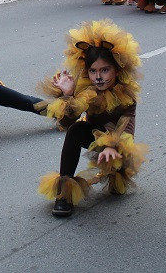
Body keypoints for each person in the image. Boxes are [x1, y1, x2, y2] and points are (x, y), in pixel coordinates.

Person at [37, 20, 147, 217]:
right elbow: (65, 123)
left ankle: (117, 170)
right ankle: (64, 194)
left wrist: (113, 145)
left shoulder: (126, 92)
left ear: (116, 70)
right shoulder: (86, 90)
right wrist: (68, 96)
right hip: (93, 136)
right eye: (93, 71)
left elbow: (127, 123)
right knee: (75, 130)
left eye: (105, 70)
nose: (98, 77)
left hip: (120, 142)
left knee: (117, 183)